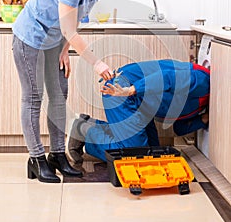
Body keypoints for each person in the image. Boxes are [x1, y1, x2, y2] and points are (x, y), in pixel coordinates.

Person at [12, 0, 132, 183]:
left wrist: (65, 49)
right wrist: (97, 64)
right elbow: (67, 27)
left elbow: (71, 25)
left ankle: (57, 154)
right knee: (34, 97)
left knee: (59, 95)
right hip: (30, 37)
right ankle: (36, 158)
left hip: (54, 41)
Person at [68, 59, 210, 163]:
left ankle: (89, 124)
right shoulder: (205, 82)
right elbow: (166, 78)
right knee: (135, 154)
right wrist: (130, 91)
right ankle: (83, 131)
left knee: (153, 153)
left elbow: (179, 127)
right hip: (121, 89)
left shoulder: (202, 104)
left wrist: (203, 119)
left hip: (139, 101)